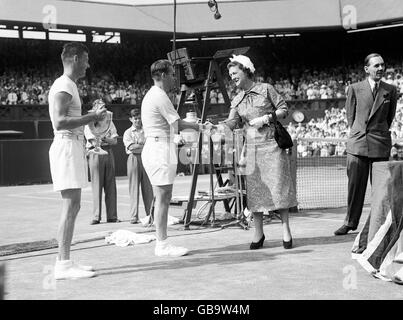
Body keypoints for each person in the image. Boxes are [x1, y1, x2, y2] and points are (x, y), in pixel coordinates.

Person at [217, 55, 297, 250]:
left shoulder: (266, 89)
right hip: (252, 150)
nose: (232, 77)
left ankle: (286, 230)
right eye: (230, 74)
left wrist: (267, 118)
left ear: (246, 70)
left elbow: (283, 109)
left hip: (272, 146)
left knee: (279, 188)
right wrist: (214, 127)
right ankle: (258, 233)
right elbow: (232, 122)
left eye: (234, 73)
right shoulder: (236, 100)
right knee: (255, 192)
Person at [141, 59, 211, 257]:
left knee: (163, 197)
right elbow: (178, 123)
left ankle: (161, 242)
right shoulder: (159, 95)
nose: (174, 78)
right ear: (163, 75)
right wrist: (202, 126)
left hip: (161, 146)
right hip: (158, 148)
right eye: (172, 74)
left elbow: (173, 126)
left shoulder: (155, 94)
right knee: (163, 198)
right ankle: (162, 244)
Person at [48, 42, 106, 280]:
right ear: (73, 58)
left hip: (72, 144)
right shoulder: (63, 85)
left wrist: (90, 117)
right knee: (70, 206)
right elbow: (60, 121)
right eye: (86, 59)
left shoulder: (68, 85)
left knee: (74, 205)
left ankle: (65, 260)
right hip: (66, 145)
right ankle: (62, 264)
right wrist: (91, 116)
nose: (88, 64)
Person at [334, 53, 397, 236]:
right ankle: (350, 223)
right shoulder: (354, 88)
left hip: (379, 144)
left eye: (382, 65)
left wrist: (379, 133)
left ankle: (380, 225)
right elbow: (350, 117)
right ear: (366, 69)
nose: (380, 69)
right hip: (358, 144)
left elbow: (389, 117)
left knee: (381, 189)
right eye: (376, 65)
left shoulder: (390, 90)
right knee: (355, 188)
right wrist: (359, 133)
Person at [84, 108, 120, 225]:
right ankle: (96, 216)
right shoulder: (89, 124)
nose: (103, 111)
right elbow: (94, 143)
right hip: (95, 153)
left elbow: (114, 141)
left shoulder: (109, 122)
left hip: (108, 152)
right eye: (99, 108)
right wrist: (105, 139)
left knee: (111, 185)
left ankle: (112, 216)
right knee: (97, 185)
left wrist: (104, 139)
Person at [123, 109, 153, 224]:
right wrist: (142, 144)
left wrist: (139, 145)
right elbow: (131, 147)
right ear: (131, 119)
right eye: (135, 118)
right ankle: (134, 216)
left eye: (139, 118)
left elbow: (149, 145)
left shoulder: (147, 130)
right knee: (134, 187)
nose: (138, 120)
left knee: (148, 188)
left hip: (145, 158)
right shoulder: (128, 132)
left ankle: (150, 214)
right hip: (133, 159)